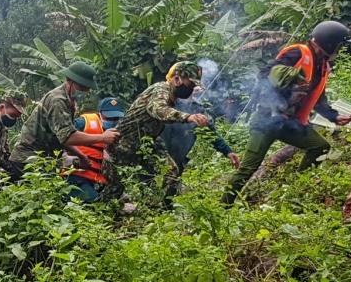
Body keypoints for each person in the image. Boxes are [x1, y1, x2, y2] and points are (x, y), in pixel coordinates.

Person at [222, 21, 351, 204]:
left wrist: (334, 116)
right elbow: (266, 74)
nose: (339, 51)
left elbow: (318, 98)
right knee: (248, 168)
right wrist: (286, 84)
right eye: (339, 46)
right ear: (330, 43)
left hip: (290, 123)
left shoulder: (322, 66)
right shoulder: (298, 53)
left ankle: (297, 193)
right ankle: (223, 206)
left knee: (319, 146)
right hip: (267, 120)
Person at [101, 61, 210, 206]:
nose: (190, 89)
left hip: (146, 144)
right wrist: (188, 117)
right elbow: (158, 110)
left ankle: (155, 209)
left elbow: (154, 126)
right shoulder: (160, 90)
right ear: (177, 79)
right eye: (190, 85)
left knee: (170, 171)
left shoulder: (172, 96)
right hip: (122, 147)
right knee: (113, 191)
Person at [8, 62, 120, 179]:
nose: (84, 91)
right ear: (70, 81)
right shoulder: (58, 100)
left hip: (43, 158)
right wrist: (102, 138)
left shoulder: (69, 101)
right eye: (82, 87)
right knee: (49, 193)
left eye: (87, 89)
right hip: (28, 158)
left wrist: (81, 156)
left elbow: (62, 137)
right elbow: (69, 136)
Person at [160, 86, 241, 174]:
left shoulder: (196, 108)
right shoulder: (161, 102)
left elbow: (209, 132)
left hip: (177, 162)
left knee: (171, 183)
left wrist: (227, 151)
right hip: (155, 158)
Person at [64, 97, 125, 203]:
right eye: (109, 117)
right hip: (77, 178)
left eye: (116, 117)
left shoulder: (120, 132)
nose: (113, 120)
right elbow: (63, 137)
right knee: (99, 205)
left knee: (122, 201)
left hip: (100, 182)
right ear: (100, 113)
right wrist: (68, 157)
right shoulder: (83, 123)